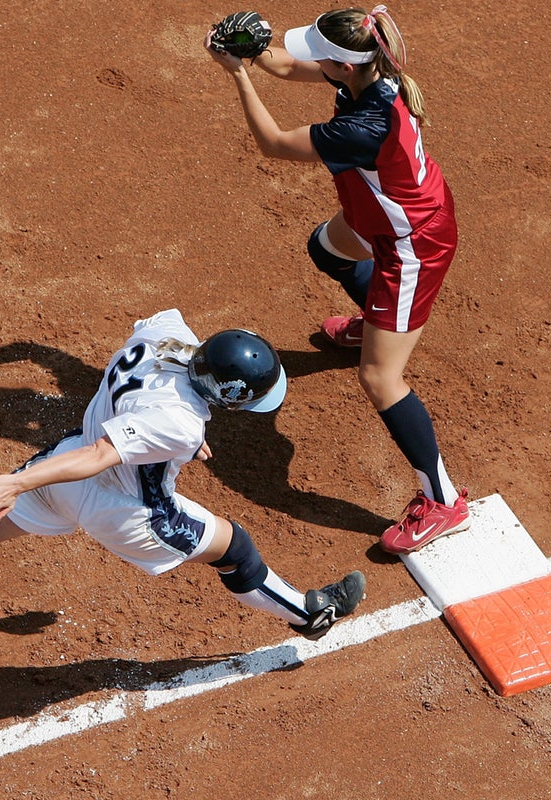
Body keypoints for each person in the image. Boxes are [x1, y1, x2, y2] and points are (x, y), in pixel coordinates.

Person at [0, 309, 365, 642]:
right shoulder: (181, 424)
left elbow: (154, 401)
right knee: (235, 549)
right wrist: (16, 483)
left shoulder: (165, 334)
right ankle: (310, 615)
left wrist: (33, 477)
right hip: (129, 514)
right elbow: (109, 455)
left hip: (63, 470)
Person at [205, 5, 469, 554]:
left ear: (343, 67)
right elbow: (285, 65)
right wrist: (250, 52)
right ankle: (375, 321)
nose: (310, 58)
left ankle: (444, 500)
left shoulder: (361, 127)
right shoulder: (372, 73)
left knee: (379, 377)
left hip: (410, 245)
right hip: (380, 215)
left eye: (320, 54)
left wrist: (236, 76)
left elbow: (274, 144)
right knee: (326, 248)